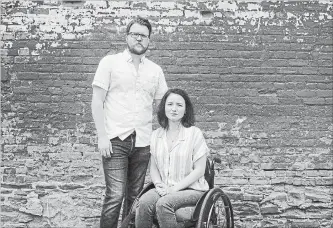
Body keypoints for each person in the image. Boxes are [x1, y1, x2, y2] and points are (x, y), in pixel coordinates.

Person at [91, 16, 168, 228]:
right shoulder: (110, 63)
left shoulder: (155, 70)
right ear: (127, 37)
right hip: (115, 140)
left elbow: (164, 108)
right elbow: (97, 102)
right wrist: (102, 136)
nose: (139, 39)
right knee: (115, 196)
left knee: (135, 197)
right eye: (135, 34)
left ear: (149, 40)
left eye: (144, 36)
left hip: (143, 142)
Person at [135, 88, 210, 228]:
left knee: (164, 203)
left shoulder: (194, 134)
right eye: (170, 104)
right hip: (165, 187)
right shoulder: (156, 135)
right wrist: (158, 184)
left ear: (186, 110)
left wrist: (173, 189)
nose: (174, 109)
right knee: (144, 202)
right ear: (164, 107)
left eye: (179, 105)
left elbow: (200, 170)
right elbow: (154, 166)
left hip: (192, 190)